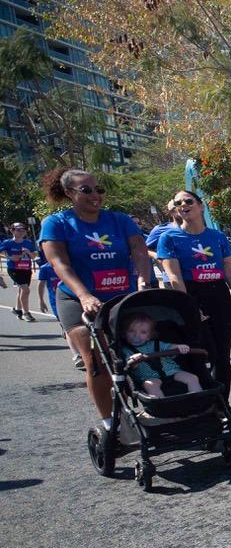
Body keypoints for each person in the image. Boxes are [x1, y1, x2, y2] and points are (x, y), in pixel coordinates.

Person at [38, 167, 150, 429]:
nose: (95, 195)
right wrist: (84, 294)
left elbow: (139, 251)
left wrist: (144, 281)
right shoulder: (56, 223)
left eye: (98, 189)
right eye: (86, 190)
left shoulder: (119, 220)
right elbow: (59, 263)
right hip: (78, 299)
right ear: (68, 193)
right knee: (96, 355)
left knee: (135, 349)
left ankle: (144, 402)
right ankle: (111, 421)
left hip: (121, 297)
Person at [157, 190, 231, 421]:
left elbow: (229, 270)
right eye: (178, 203)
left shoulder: (217, 237)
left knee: (222, 356)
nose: (183, 205)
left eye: (188, 201)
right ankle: (200, 405)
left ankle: (222, 406)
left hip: (218, 296)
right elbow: (174, 276)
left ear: (201, 207)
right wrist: (191, 307)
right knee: (200, 354)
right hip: (190, 296)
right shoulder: (169, 238)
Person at [119, 312, 201, 397]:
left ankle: (196, 397)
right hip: (148, 377)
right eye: (131, 331)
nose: (136, 335)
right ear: (124, 334)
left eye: (143, 332)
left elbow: (170, 347)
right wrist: (134, 360)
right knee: (150, 385)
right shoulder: (126, 350)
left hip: (172, 371)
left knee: (192, 378)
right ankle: (161, 404)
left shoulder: (156, 344)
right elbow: (130, 366)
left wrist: (179, 346)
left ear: (149, 336)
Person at [0, 222, 39, 321]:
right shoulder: (7, 242)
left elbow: (34, 255)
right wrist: (10, 257)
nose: (22, 232)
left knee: (22, 289)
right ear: (12, 231)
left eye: (24, 229)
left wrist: (28, 252)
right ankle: (26, 313)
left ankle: (18, 310)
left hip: (26, 269)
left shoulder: (28, 243)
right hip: (14, 269)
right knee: (26, 290)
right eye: (18, 230)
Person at [146, 206, 181, 289]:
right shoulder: (160, 229)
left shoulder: (196, 229)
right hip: (171, 279)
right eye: (174, 208)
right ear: (170, 212)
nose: (179, 209)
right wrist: (158, 257)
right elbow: (144, 249)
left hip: (195, 276)